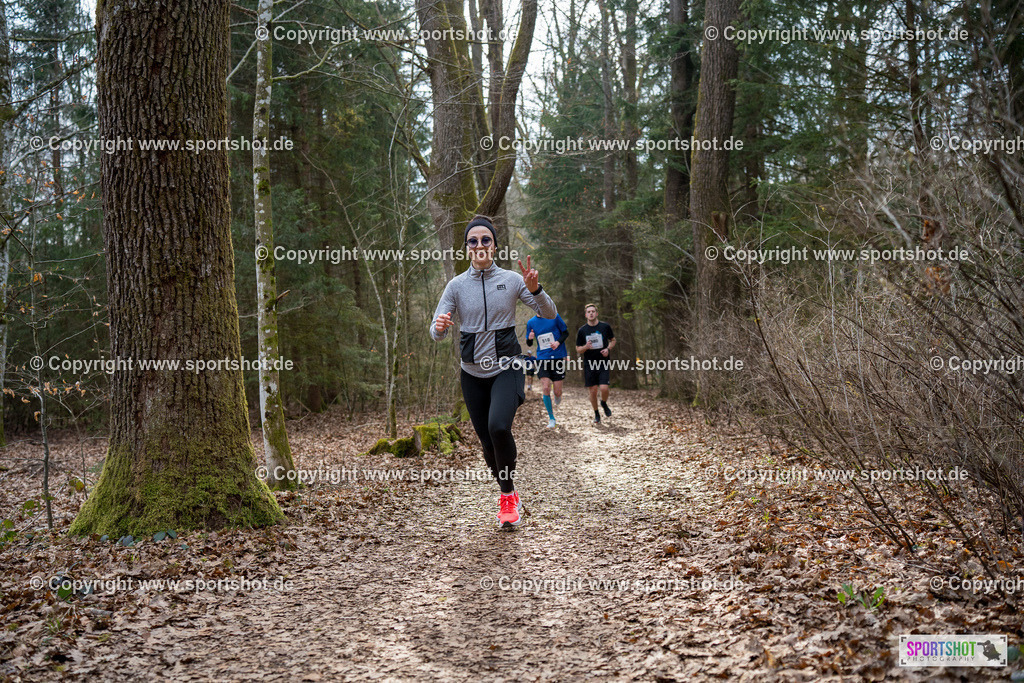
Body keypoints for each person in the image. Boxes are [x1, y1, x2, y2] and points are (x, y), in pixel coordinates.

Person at [430, 216, 557, 530]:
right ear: (467, 248)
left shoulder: (512, 280)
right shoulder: (456, 286)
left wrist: (536, 290)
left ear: (495, 246)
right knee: (487, 443)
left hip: (507, 367)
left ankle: (507, 497)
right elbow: (436, 330)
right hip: (472, 374)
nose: (479, 245)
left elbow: (549, 314)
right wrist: (440, 327)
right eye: (473, 241)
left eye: (485, 239)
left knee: (498, 427)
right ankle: (508, 493)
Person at [526, 313, 568, 428]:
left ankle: (557, 395)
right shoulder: (531, 322)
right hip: (542, 358)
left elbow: (565, 333)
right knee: (545, 387)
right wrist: (530, 338)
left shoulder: (554, 316)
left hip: (557, 357)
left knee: (557, 392)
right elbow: (529, 343)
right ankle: (551, 418)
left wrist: (557, 342)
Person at [575, 303, 615, 423]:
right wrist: (586, 347)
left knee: (604, 388)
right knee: (593, 391)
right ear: (586, 315)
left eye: (593, 311)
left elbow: (613, 340)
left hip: (603, 362)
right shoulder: (582, 330)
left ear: (597, 313)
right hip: (589, 364)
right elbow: (578, 349)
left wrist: (608, 349)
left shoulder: (605, 327)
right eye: (589, 312)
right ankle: (596, 413)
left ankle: (603, 403)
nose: (591, 313)